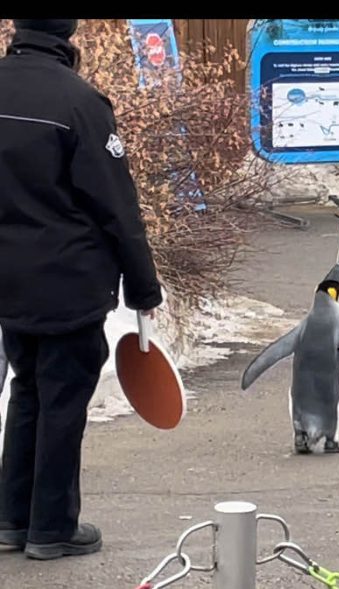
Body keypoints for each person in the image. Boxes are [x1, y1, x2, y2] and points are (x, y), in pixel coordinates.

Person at [0, 19, 163, 560]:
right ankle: (51, 528)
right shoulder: (80, 104)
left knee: (27, 389)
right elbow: (117, 206)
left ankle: (10, 519)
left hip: (8, 283)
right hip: (68, 283)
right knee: (63, 400)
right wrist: (144, 286)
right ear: (66, 32)